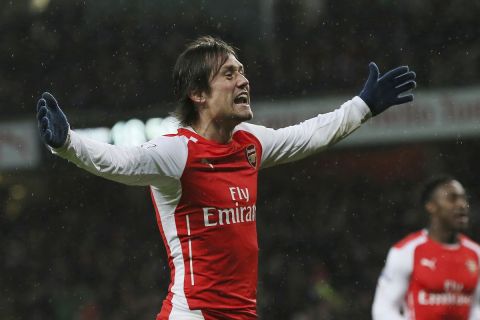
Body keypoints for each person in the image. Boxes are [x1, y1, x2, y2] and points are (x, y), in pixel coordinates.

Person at [36, 36, 416, 320]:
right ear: (198, 93)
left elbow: (309, 134)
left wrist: (362, 107)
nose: (243, 81)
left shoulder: (249, 144)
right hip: (194, 314)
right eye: (229, 74)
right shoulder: (177, 151)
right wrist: (67, 144)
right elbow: (121, 161)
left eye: (243, 72)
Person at [372, 176, 480, 320]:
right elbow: (383, 309)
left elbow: (476, 307)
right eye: (452, 199)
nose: (462, 205)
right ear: (431, 206)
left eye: (464, 199)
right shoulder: (406, 251)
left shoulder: (476, 253)